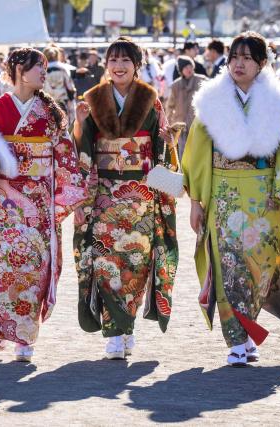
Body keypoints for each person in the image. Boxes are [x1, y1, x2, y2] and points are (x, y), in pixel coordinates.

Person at [183, 31, 280, 367]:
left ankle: (249, 329)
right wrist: (196, 200)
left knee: (259, 271)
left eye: (247, 57)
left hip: (264, 200)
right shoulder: (211, 102)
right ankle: (237, 341)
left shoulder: (277, 103)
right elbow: (197, 155)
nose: (238, 63)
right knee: (229, 271)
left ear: (261, 64)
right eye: (234, 57)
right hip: (224, 197)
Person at [0, 47, 86, 363]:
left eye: (45, 68)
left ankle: (25, 335)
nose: (44, 74)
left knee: (36, 266)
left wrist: (69, 196)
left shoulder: (51, 112)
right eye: (39, 68)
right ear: (19, 69)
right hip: (5, 201)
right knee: (6, 267)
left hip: (40, 199)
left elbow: (64, 155)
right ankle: (6, 325)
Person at [73, 37, 178, 360]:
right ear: (106, 65)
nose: (119, 67)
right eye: (113, 60)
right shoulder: (93, 100)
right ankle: (113, 334)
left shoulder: (151, 101)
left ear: (137, 65)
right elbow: (84, 149)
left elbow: (161, 151)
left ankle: (126, 327)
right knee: (106, 262)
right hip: (105, 195)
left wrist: (166, 141)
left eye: (126, 61)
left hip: (141, 196)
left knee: (135, 264)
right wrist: (78, 124)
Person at [165, 55, 207, 157]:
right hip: (180, 124)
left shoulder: (202, 81)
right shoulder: (176, 85)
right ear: (181, 70)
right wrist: (169, 123)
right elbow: (170, 106)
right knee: (182, 153)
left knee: (197, 153)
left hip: (197, 124)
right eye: (185, 67)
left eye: (190, 66)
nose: (188, 69)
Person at [43, 45, 76, 124]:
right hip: (61, 103)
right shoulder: (63, 69)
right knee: (62, 127)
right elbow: (70, 88)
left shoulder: (42, 69)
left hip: (45, 103)